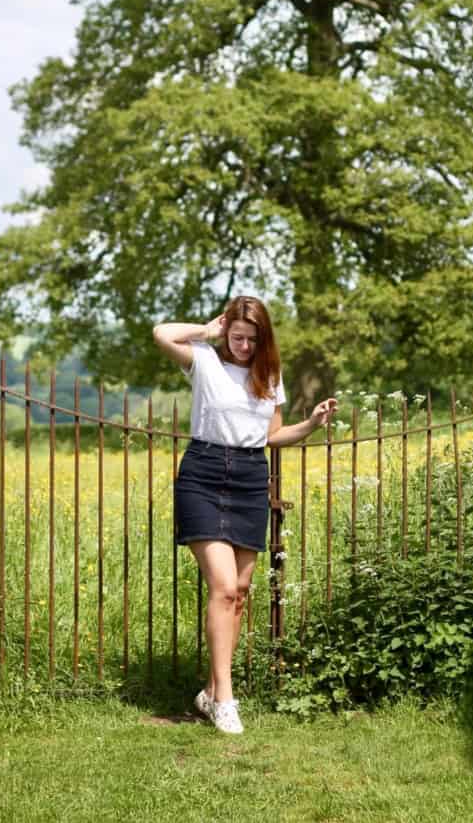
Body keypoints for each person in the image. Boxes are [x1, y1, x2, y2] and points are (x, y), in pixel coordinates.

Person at [153, 296, 337, 734]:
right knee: (221, 585)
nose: (243, 345)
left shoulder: (269, 375)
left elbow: (272, 436)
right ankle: (225, 700)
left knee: (237, 591)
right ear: (226, 330)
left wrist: (310, 423)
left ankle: (210, 691)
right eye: (236, 336)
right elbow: (161, 332)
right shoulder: (203, 361)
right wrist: (207, 330)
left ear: (263, 340)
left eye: (251, 339)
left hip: (251, 479)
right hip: (203, 474)